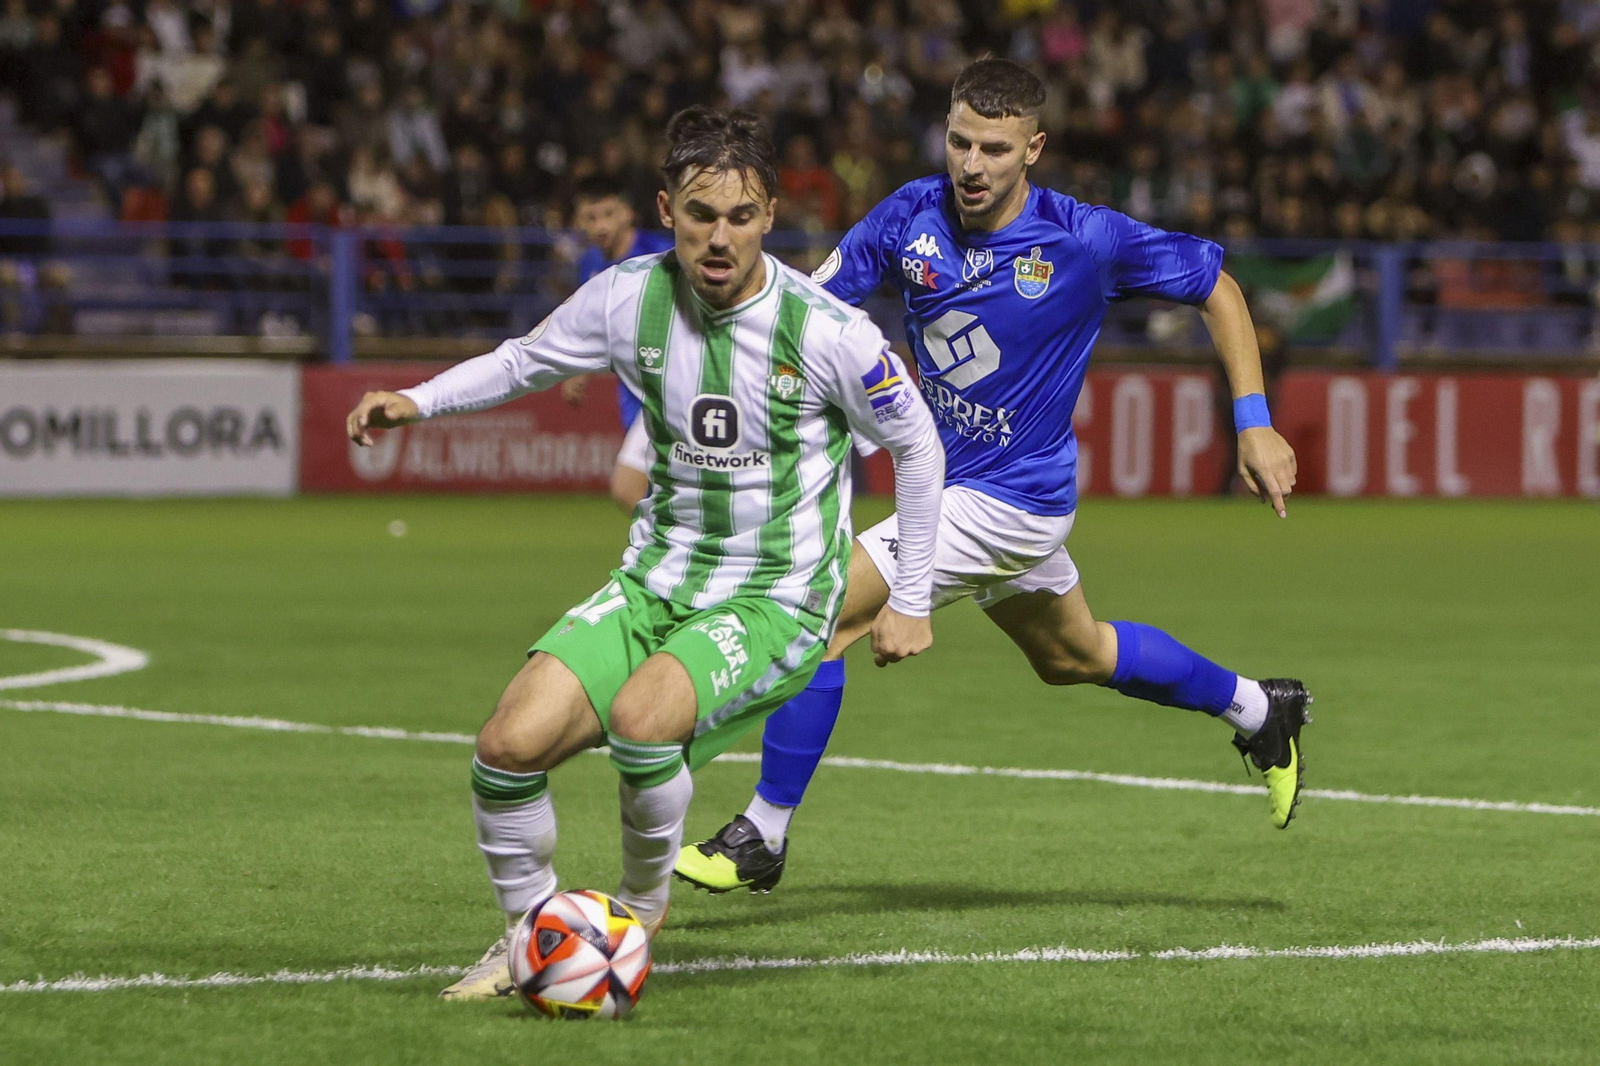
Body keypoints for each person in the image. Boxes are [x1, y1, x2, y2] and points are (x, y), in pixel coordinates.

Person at [344, 106, 945, 1000]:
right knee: (506, 746)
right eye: (700, 214)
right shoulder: (627, 297)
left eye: (740, 216)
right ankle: (529, 938)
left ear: (769, 215)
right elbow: (522, 361)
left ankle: (633, 915)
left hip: (776, 596)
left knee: (642, 718)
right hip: (654, 580)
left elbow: (919, 446)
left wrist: (911, 597)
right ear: (667, 209)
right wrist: (417, 401)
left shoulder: (827, 331)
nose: (719, 237)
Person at [676, 58, 1312, 897]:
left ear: (1033, 150)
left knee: (822, 611)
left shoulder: (1082, 238)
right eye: (959, 142)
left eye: (995, 149)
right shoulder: (910, 214)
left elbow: (1219, 288)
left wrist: (1254, 420)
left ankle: (763, 833)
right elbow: (813, 307)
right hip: (954, 489)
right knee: (1076, 655)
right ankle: (1262, 710)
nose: (971, 165)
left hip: (1012, 500)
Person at [558, 176, 675, 512]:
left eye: (608, 214)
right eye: (591, 217)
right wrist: (582, 367)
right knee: (653, 492)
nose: (600, 226)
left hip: (670, 386)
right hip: (634, 389)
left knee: (628, 488)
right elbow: (599, 326)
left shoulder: (660, 254)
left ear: (627, 213)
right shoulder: (590, 265)